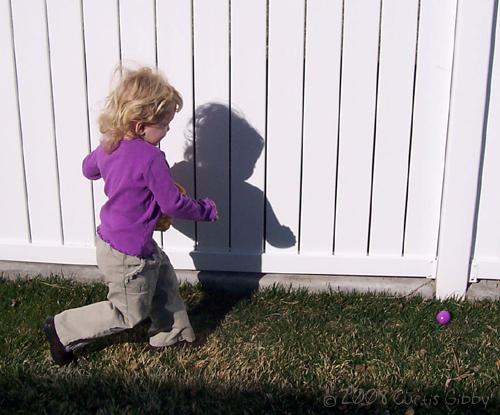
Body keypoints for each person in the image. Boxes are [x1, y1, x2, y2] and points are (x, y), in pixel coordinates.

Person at [43, 66, 218, 366]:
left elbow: (88, 170)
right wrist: (205, 209)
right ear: (141, 126)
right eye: (164, 124)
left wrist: (108, 156)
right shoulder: (152, 159)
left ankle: (172, 333)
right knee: (128, 311)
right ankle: (62, 329)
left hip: (119, 238)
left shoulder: (109, 144)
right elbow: (174, 204)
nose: (167, 130)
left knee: (163, 281)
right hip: (129, 252)